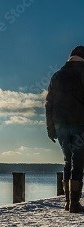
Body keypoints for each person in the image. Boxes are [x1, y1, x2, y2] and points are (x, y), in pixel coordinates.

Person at [45, 46, 84, 213]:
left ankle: (68, 202)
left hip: (60, 125)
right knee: (79, 162)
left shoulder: (57, 76)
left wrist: (50, 127)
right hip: (80, 124)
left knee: (68, 160)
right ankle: (74, 203)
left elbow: (48, 104)